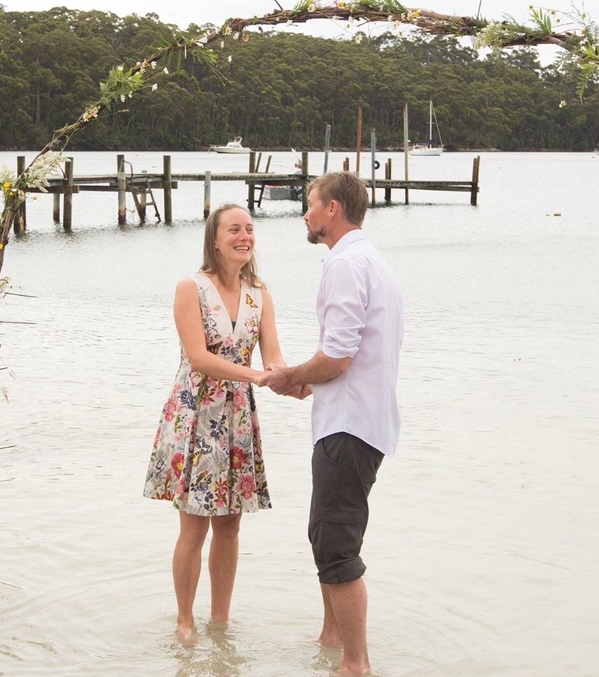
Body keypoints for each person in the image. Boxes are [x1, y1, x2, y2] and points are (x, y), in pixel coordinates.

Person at [265, 172, 403, 676]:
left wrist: (292, 376)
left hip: (350, 425)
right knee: (323, 532)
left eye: (311, 203)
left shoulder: (345, 264)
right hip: (361, 418)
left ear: (333, 210)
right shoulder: (373, 262)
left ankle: (354, 663)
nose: (305, 213)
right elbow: (354, 354)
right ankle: (331, 636)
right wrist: (311, 383)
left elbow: (339, 357)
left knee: (336, 544)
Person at [143, 204, 287, 641]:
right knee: (194, 526)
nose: (244, 237)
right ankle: (185, 620)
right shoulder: (191, 288)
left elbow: (273, 357)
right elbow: (198, 358)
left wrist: (292, 379)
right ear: (215, 239)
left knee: (231, 524)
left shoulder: (259, 293)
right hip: (196, 413)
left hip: (238, 416)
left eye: (249, 229)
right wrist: (255, 376)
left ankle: (220, 620)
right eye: (234, 230)